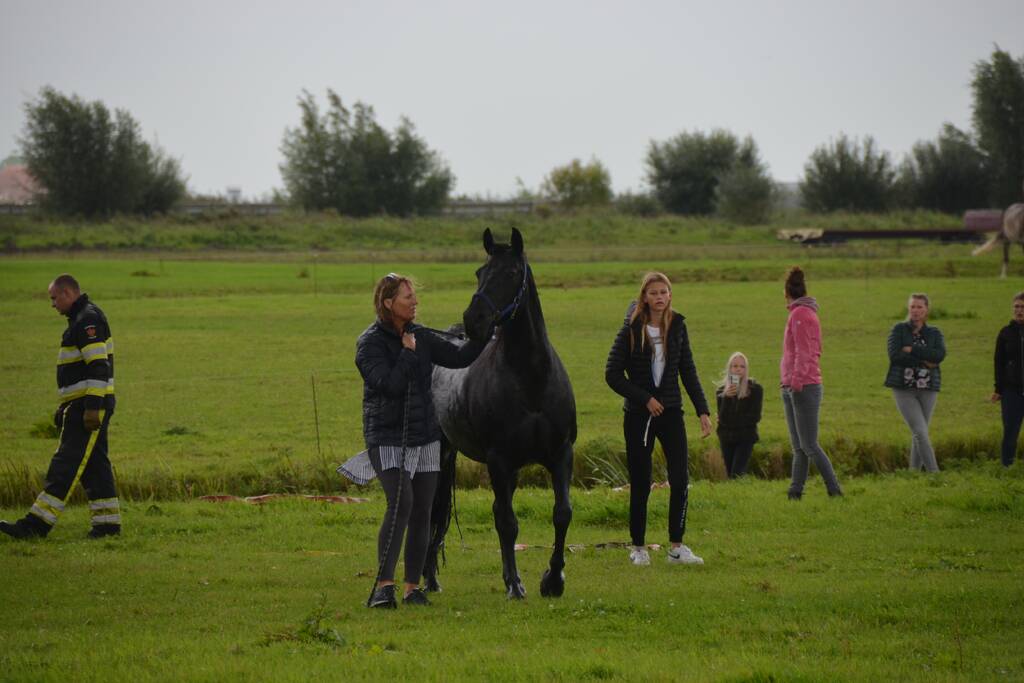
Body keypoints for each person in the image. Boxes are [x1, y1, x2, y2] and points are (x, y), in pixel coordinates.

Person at [341, 273, 488, 608]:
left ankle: (412, 587)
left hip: (425, 436)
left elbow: (459, 358)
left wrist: (484, 334)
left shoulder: (420, 335)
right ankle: (383, 586)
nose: (415, 301)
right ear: (388, 303)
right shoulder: (369, 344)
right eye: (408, 297)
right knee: (401, 504)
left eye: (414, 296)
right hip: (387, 436)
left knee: (422, 510)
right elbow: (388, 385)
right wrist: (407, 354)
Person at [605, 272, 713, 567]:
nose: (660, 297)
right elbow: (612, 374)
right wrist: (644, 399)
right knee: (641, 483)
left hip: (672, 412)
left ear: (670, 295)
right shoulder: (630, 329)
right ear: (645, 297)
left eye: (664, 292)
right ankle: (638, 548)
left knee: (680, 480)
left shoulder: (678, 326)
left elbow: (687, 370)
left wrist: (702, 410)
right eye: (654, 293)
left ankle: (676, 548)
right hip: (639, 416)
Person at [1, 274, 120, 540]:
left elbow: (98, 365)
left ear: (68, 294)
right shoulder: (80, 319)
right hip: (80, 404)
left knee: (65, 464)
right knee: (94, 465)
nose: (52, 304)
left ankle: (35, 525)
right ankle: (108, 525)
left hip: (88, 406)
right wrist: (65, 406)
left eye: (54, 298)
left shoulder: (87, 319)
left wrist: (91, 407)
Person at [780, 267, 842, 500]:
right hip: (792, 384)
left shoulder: (800, 315)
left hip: (803, 386)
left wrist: (795, 382)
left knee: (809, 445)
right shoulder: (800, 313)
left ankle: (834, 489)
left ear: (786, 291)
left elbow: (806, 352)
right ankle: (795, 492)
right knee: (799, 447)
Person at [884, 293, 946, 472]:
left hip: (928, 387)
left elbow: (939, 355)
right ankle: (935, 474)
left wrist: (912, 349)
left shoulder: (934, 333)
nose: (916, 311)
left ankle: (913, 473)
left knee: (920, 433)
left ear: (927, 310)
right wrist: (925, 359)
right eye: (912, 307)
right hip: (904, 388)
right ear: (908, 308)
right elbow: (895, 356)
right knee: (920, 431)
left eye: (920, 307)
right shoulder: (898, 330)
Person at [715, 352, 763, 478]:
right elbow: (723, 419)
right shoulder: (721, 391)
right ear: (729, 368)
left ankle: (742, 491)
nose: (738, 369)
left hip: (745, 437)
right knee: (730, 473)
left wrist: (733, 422)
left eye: (742, 366)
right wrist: (727, 397)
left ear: (746, 369)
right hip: (726, 437)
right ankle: (735, 494)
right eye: (735, 366)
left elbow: (755, 417)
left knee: (737, 473)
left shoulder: (755, 389)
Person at [991, 291, 1024, 467]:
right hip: (1012, 391)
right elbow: (998, 362)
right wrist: (998, 389)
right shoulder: (1005, 333)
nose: (1019, 311)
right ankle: (1007, 468)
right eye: (1016, 307)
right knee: (1010, 433)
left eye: (1023, 307)